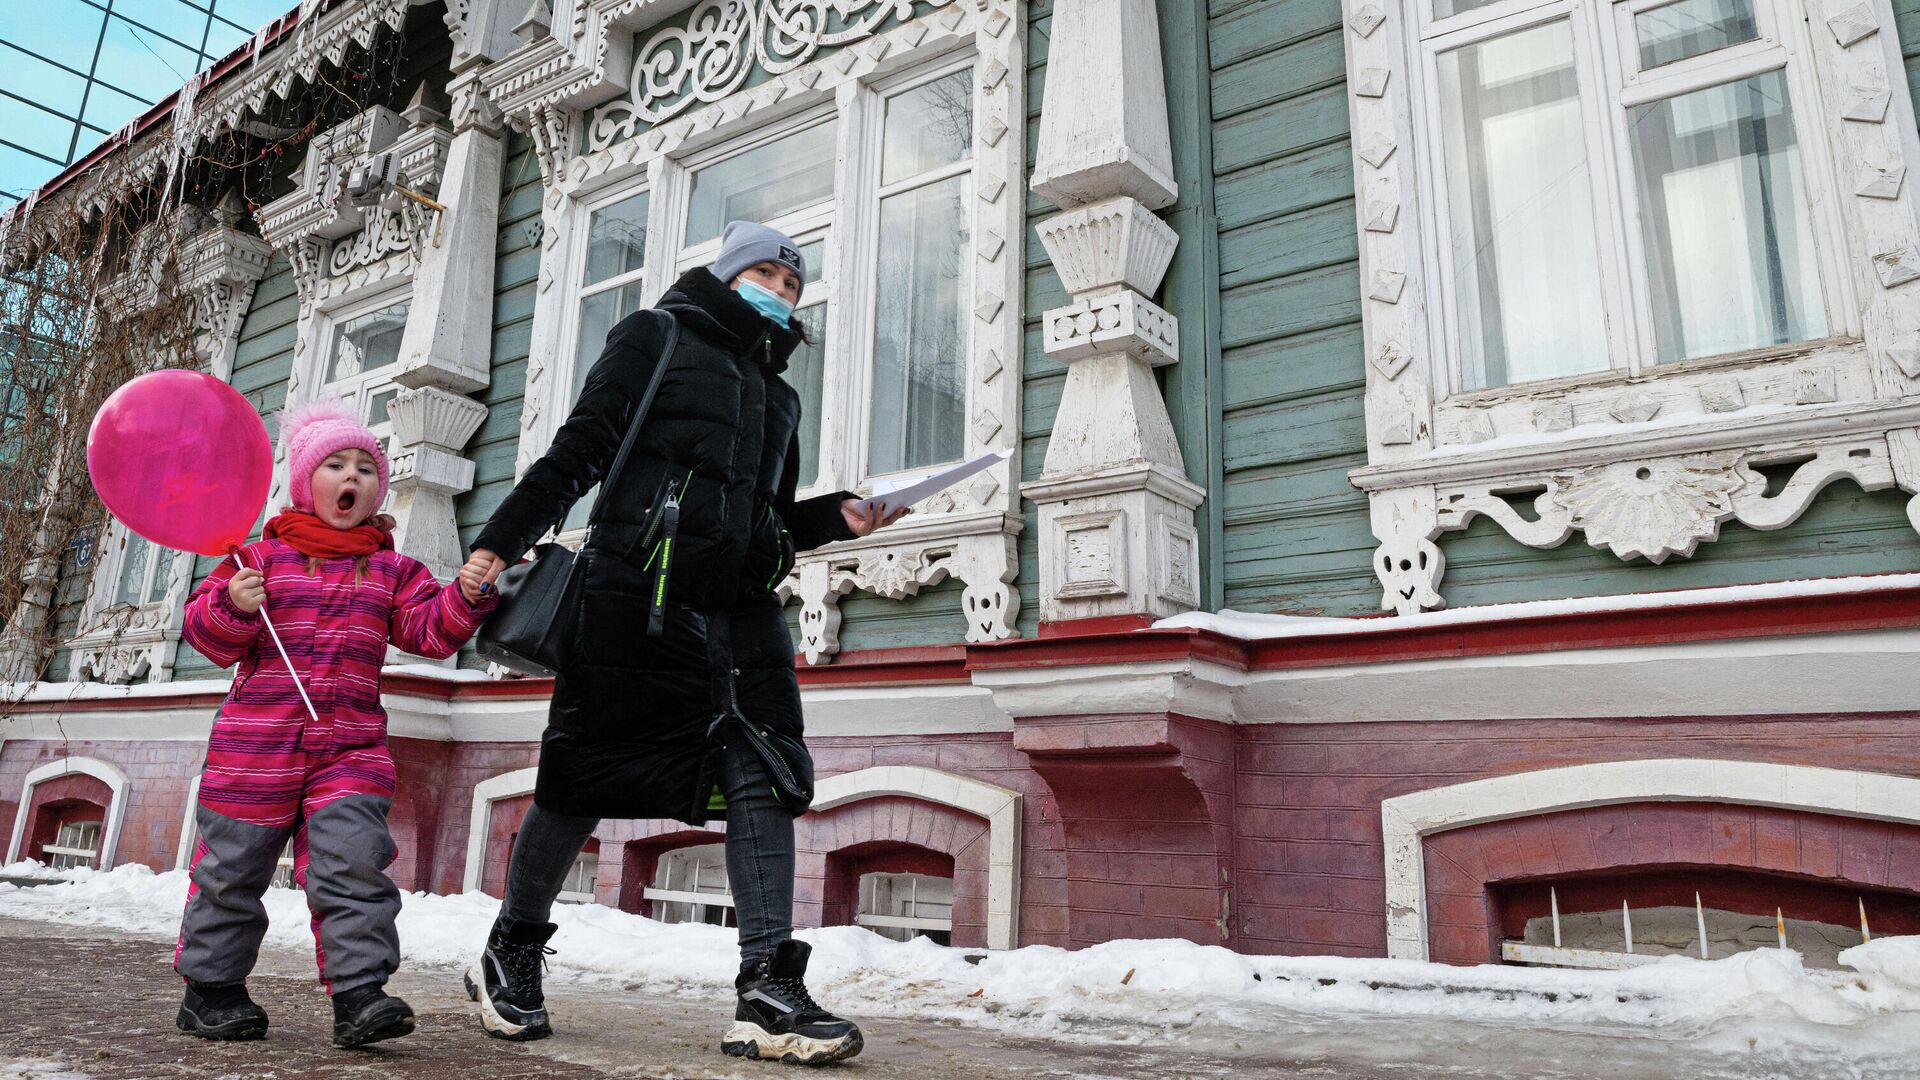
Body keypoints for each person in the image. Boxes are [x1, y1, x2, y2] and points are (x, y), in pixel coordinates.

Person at [461, 220, 905, 1065]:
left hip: (740, 616)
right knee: (584, 771)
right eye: (765, 271)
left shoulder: (780, 394)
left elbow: (766, 516)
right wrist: (499, 539)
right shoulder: (656, 335)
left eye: (792, 281)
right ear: (728, 273)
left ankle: (768, 984)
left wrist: (836, 517)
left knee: (766, 777)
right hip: (639, 594)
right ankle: (512, 946)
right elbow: (580, 449)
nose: (778, 289)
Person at [174, 401, 498, 1048]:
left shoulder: (390, 569)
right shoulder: (255, 560)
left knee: (353, 865)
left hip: (348, 750)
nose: (353, 476)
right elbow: (207, 636)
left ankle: (359, 995)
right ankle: (211, 991)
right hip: (253, 751)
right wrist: (231, 607)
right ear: (304, 482)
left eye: (366, 468)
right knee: (231, 870)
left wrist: (465, 595)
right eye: (335, 464)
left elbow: (428, 631)